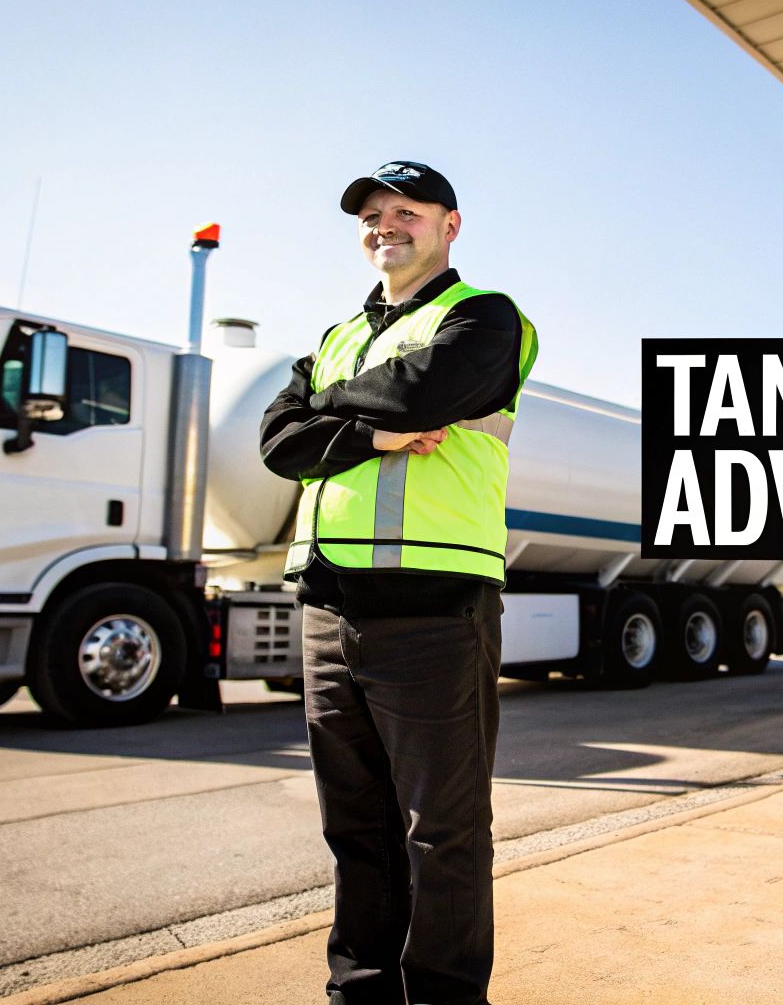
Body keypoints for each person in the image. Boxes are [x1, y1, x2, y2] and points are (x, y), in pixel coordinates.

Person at [259, 160, 538, 1005]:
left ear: (450, 225)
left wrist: (329, 414)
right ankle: (361, 992)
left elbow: (425, 390)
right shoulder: (339, 332)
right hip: (328, 606)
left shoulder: (485, 319)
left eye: (406, 210)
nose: (386, 224)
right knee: (357, 828)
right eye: (372, 213)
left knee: (442, 834)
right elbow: (277, 441)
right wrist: (375, 434)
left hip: (433, 605)